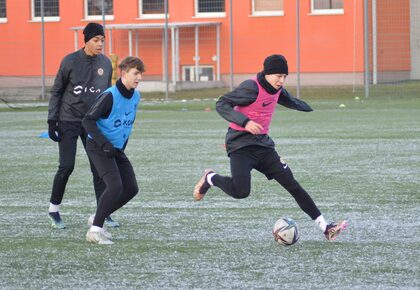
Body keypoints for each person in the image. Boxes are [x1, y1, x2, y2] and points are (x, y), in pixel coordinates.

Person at [193, 54, 347, 241]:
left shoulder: (277, 90)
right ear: (267, 73)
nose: (281, 81)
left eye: (285, 77)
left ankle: (326, 227)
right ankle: (211, 178)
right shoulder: (250, 88)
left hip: (264, 146)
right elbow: (222, 103)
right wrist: (245, 121)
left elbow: (291, 101)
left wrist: (309, 108)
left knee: (293, 185)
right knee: (241, 192)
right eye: (278, 76)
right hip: (240, 144)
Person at [47, 22, 119, 229]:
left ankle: (103, 213)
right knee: (66, 166)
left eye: (102, 40)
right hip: (68, 120)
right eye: (96, 40)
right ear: (86, 40)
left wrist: (107, 122)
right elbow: (57, 91)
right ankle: (54, 210)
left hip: (92, 124)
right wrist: (52, 121)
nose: (100, 44)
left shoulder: (105, 63)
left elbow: (107, 96)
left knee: (99, 168)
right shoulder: (69, 61)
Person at [82, 56, 144, 244]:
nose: (138, 77)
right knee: (115, 185)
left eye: (140, 73)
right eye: (135, 73)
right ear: (123, 73)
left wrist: (118, 148)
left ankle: (98, 216)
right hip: (98, 146)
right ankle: (95, 231)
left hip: (115, 149)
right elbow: (87, 121)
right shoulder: (110, 95)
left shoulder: (136, 96)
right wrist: (105, 144)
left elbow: (126, 125)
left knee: (131, 188)